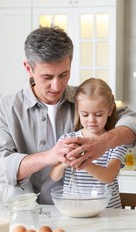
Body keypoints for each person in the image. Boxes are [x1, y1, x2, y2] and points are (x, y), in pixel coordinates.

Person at [0, 27, 136, 204]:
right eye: (47, 77)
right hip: (24, 213)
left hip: (77, 213)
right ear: (28, 68)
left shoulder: (84, 99)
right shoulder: (6, 109)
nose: (56, 86)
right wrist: (49, 157)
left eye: (64, 74)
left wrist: (102, 143)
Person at [50, 78, 127, 208]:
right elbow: (54, 176)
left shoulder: (115, 142)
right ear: (77, 109)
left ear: (109, 110)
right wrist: (65, 163)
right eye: (85, 115)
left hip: (108, 213)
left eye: (98, 114)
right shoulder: (67, 140)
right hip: (74, 210)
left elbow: (108, 176)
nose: (91, 120)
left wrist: (82, 162)